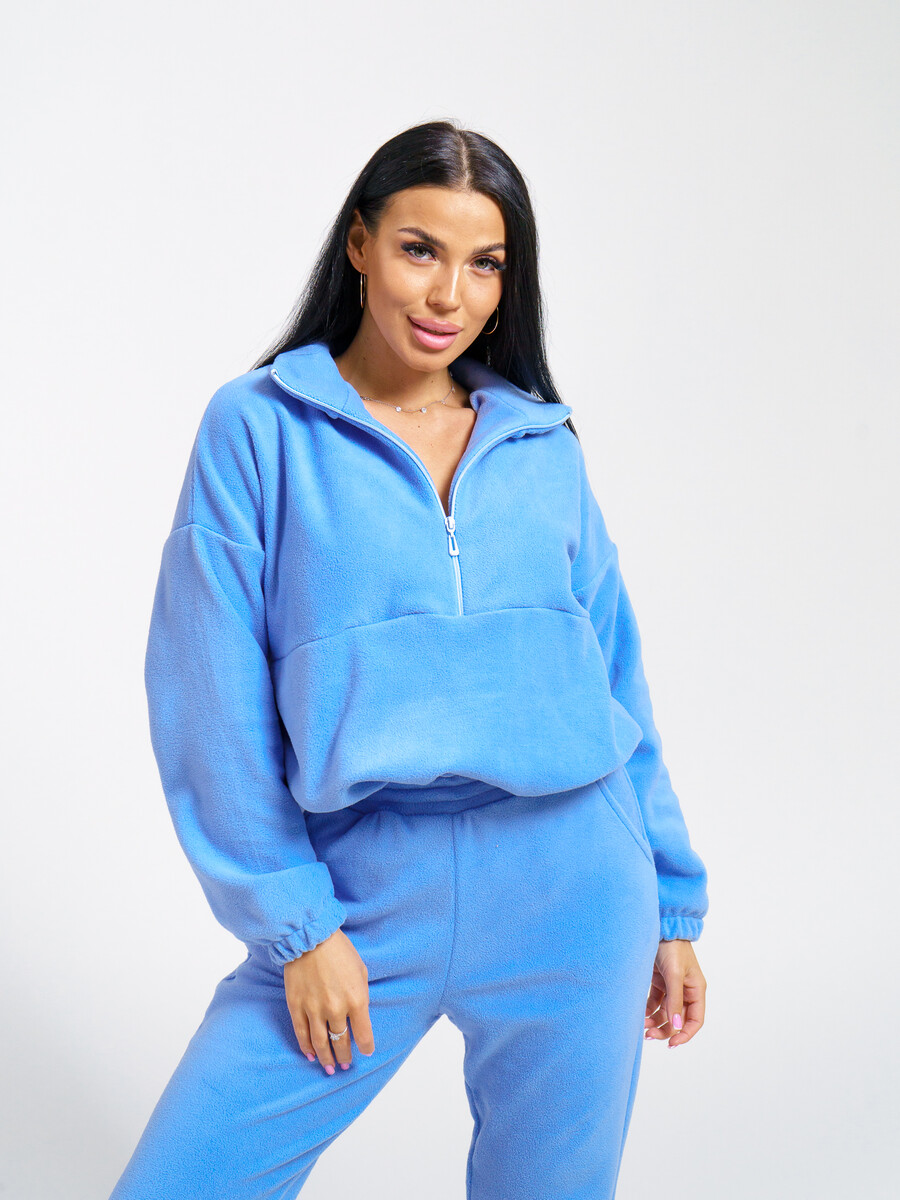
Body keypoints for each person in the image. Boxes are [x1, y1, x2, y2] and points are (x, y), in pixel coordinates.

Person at [108, 118, 709, 1200]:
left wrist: (671, 906)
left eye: (485, 264)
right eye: (419, 250)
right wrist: (298, 926)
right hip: (360, 889)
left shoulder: (541, 443)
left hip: (574, 883)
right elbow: (208, 698)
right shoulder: (260, 427)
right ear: (360, 245)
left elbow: (615, 680)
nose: (448, 295)